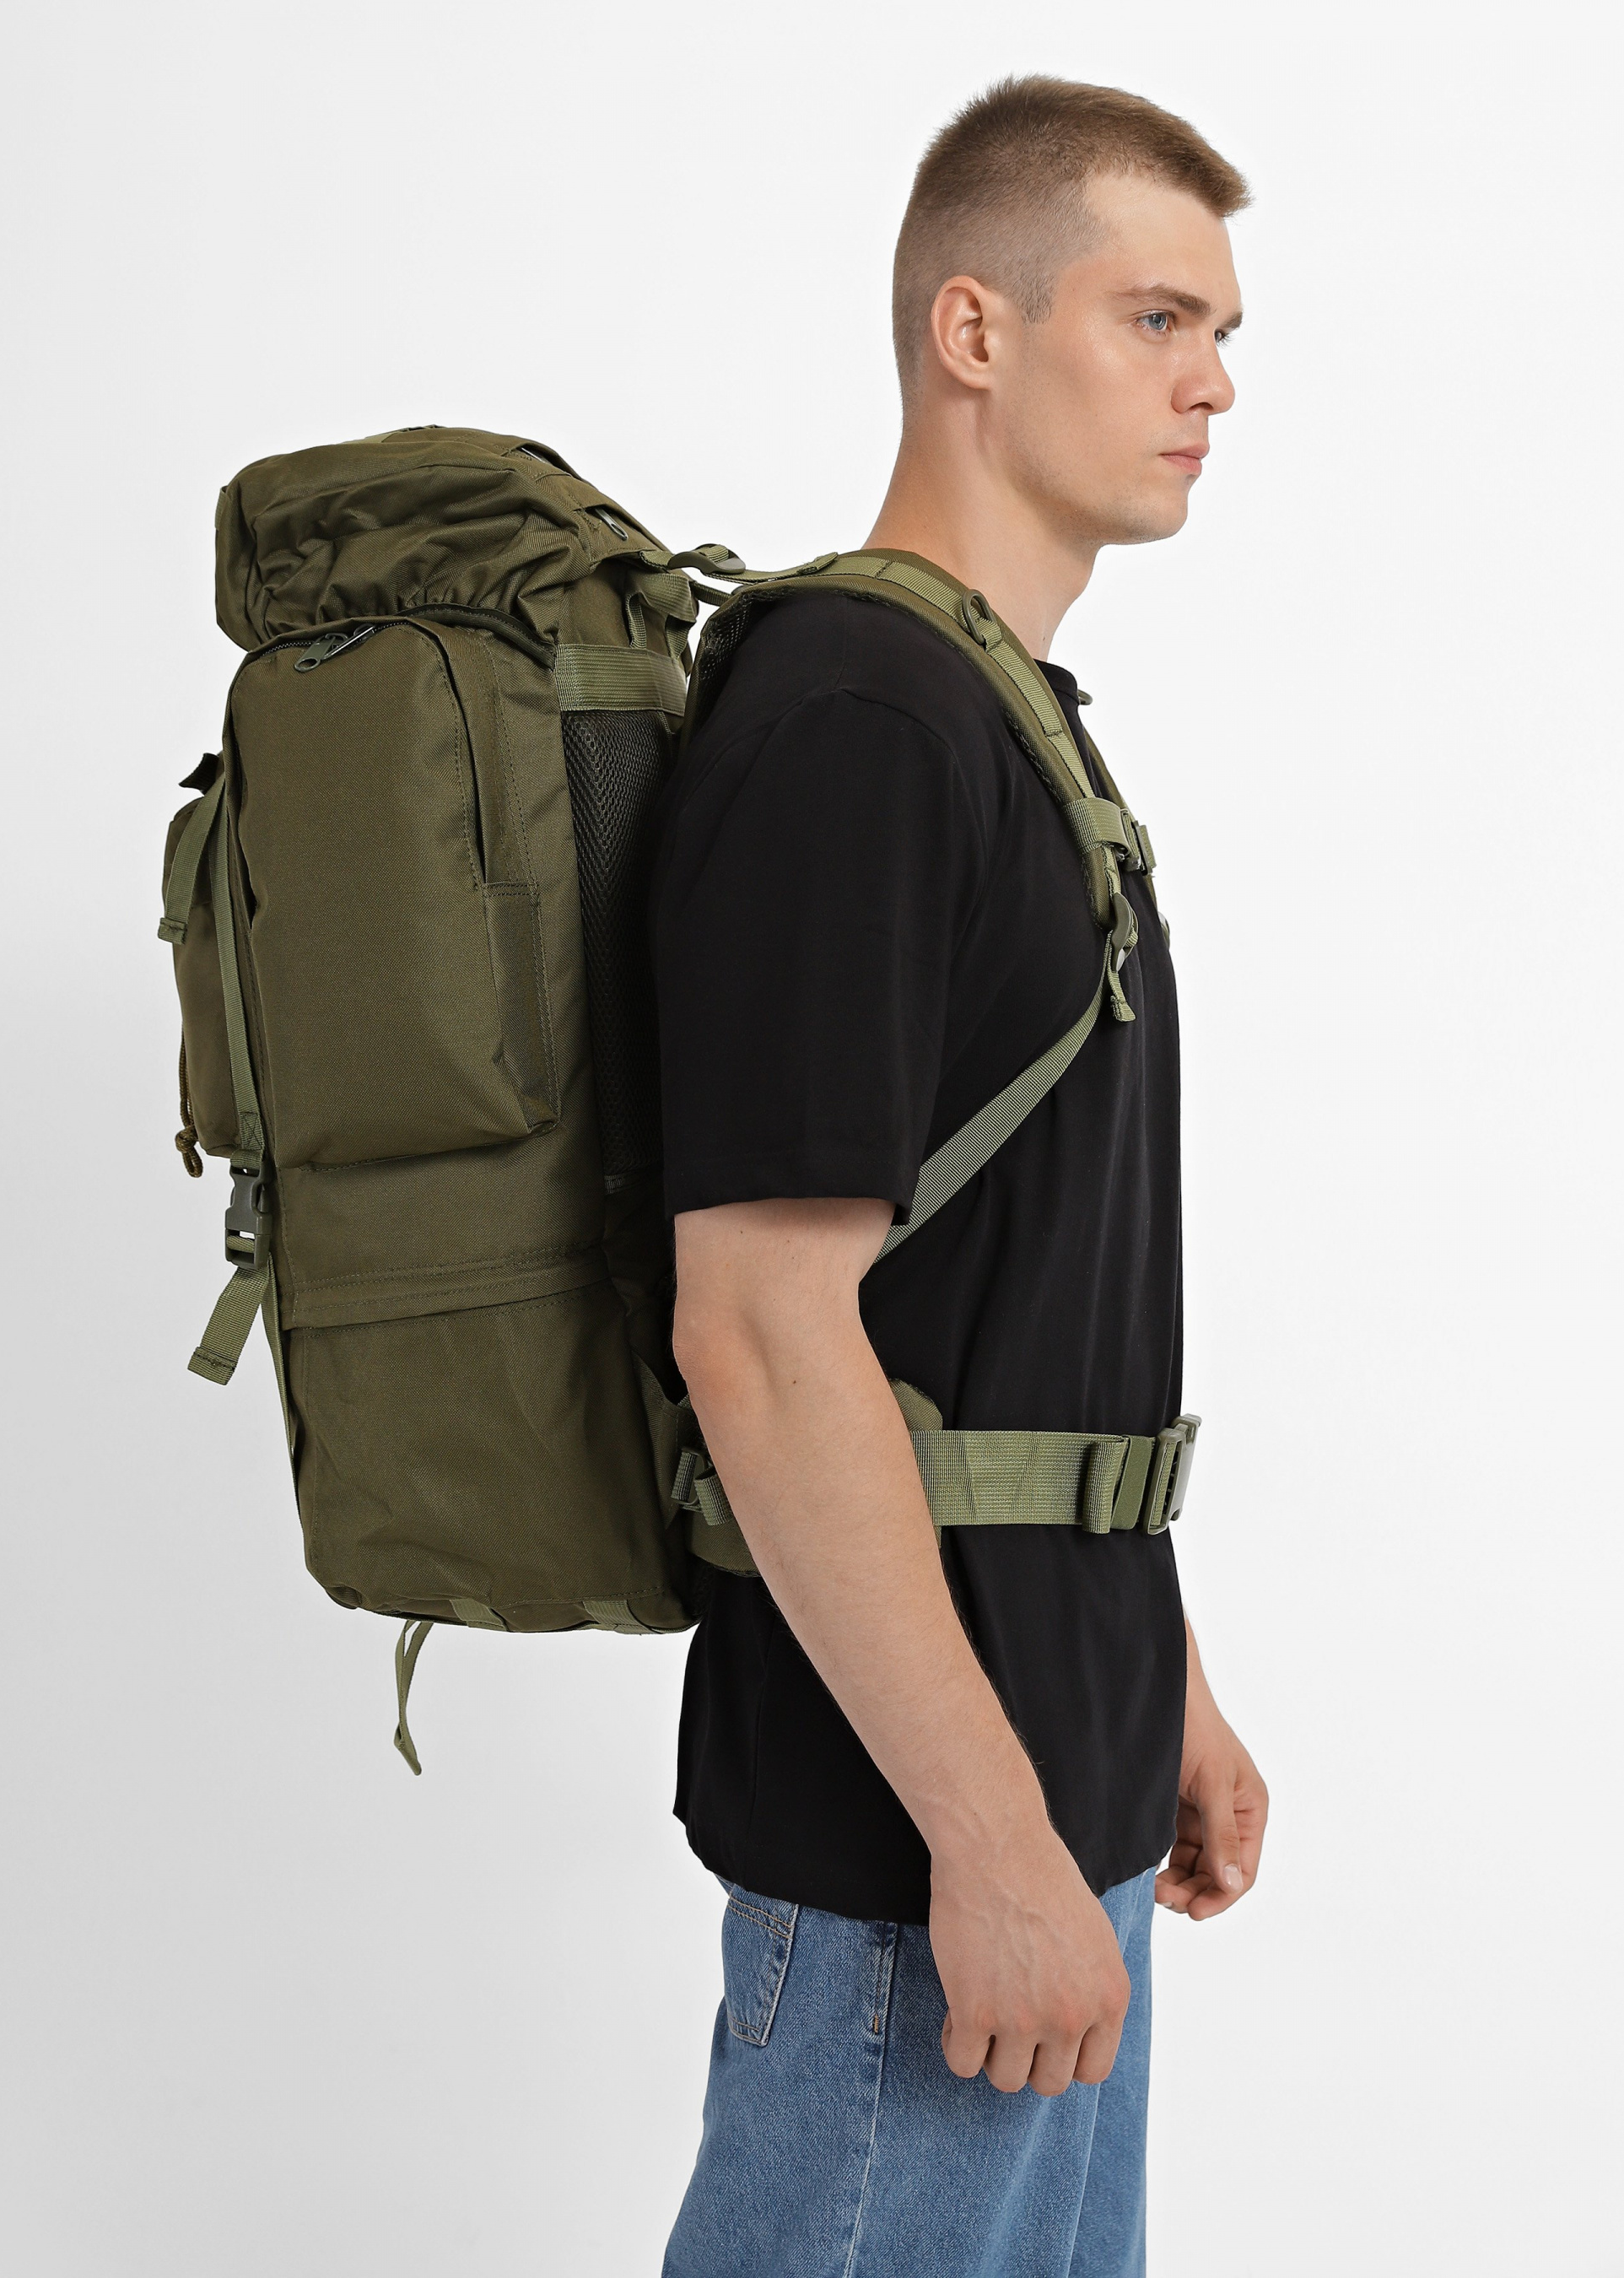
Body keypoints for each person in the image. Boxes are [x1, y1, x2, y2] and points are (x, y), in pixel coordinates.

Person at [654, 75, 1269, 2278]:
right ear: (973, 330)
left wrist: (1159, 1687)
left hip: (1046, 1792)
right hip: (915, 1853)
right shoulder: (861, 721)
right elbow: (755, 1328)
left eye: (1224, 334)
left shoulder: (1008, 724)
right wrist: (992, 1839)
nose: (1213, 384)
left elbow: (1009, 1298)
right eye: (1157, 318)